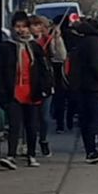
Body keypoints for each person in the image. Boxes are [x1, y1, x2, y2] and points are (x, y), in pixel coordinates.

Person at [0, 12, 53, 170]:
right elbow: (0, 72)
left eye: (24, 27)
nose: (21, 30)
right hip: (14, 91)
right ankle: (11, 155)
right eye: (18, 27)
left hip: (32, 92)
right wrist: (2, 94)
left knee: (32, 125)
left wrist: (45, 88)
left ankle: (31, 155)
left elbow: (44, 70)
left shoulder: (35, 47)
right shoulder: (7, 47)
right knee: (14, 125)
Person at [68, 17, 98, 164]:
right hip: (93, 86)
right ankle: (92, 149)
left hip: (81, 86)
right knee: (94, 118)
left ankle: (90, 149)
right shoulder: (94, 43)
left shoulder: (82, 40)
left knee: (86, 119)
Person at [30, 15, 66, 158]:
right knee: (30, 116)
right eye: (34, 25)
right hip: (29, 82)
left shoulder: (48, 41)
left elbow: (61, 56)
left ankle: (43, 140)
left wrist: (57, 39)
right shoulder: (27, 42)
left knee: (44, 116)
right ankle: (28, 142)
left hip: (45, 82)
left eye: (40, 25)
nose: (37, 28)